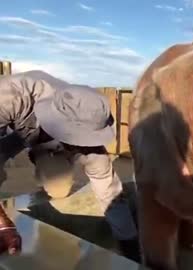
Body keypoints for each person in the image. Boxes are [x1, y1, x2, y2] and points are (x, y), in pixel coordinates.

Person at [0, 70, 140, 262]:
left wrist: (130, 244)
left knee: (58, 187)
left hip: (38, 135)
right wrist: (3, 224)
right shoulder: (11, 95)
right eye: (76, 138)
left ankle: (43, 155)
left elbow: (109, 191)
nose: (81, 144)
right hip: (17, 128)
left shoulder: (89, 117)